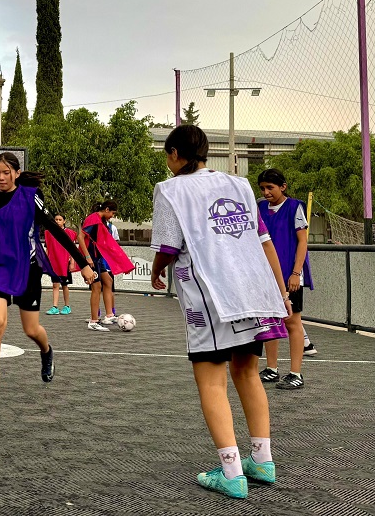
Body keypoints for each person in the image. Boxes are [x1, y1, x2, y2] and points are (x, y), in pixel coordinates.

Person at [149, 125, 292, 499]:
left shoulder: (170, 190)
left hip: (210, 296)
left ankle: (231, 472)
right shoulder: (240, 185)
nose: (167, 162)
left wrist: (156, 268)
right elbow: (263, 240)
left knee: (211, 380)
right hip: (251, 290)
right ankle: (262, 460)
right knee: (247, 372)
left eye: (168, 155)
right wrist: (279, 292)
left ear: (176, 154)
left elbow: (168, 245)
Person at [0, 153, 96, 403]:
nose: (1, 177)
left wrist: (82, 263)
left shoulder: (30, 198)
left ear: (16, 173)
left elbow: (55, 230)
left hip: (27, 268)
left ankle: (46, 351)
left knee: (31, 329)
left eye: (6, 172)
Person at [257, 168, 315, 390]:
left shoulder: (294, 207)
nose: (266, 192)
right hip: (266, 277)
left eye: (270, 187)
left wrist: (295, 272)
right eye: (262, 188)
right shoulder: (260, 207)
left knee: (292, 322)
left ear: (283, 187)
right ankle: (272, 369)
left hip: (289, 276)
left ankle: (296, 373)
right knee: (271, 321)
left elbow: (302, 242)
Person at [79, 200, 133, 330]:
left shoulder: (102, 221)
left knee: (108, 281)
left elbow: (108, 244)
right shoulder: (93, 218)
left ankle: (109, 315)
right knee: (96, 287)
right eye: (113, 213)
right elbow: (80, 237)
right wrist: (87, 258)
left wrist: (123, 263)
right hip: (91, 257)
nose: (112, 216)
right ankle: (93, 321)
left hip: (97, 258)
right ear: (107, 209)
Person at [44, 214, 77, 316]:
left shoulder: (69, 233)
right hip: (54, 263)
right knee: (55, 284)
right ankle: (55, 307)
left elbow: (73, 250)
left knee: (65, 285)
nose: (58, 221)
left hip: (64, 263)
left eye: (60, 219)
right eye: (56, 219)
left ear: (64, 221)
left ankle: (67, 306)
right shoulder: (49, 233)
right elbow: (47, 248)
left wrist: (72, 262)